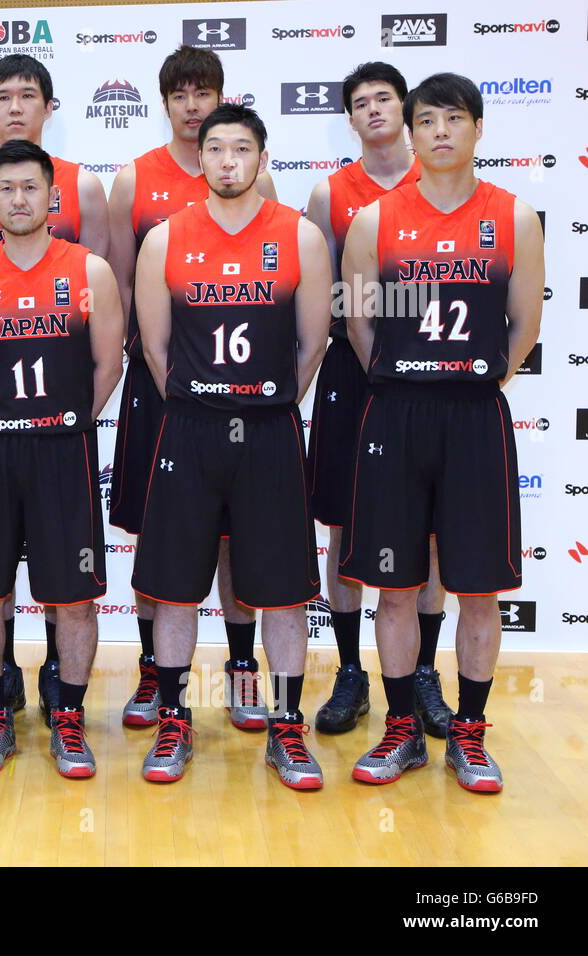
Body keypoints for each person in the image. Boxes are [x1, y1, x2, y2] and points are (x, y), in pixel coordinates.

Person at [341, 73, 543, 792]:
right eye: (426, 120)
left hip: (473, 416)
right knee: (395, 590)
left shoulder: (513, 218)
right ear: (411, 131)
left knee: (479, 592)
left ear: (478, 128)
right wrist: (409, 377)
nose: (440, 132)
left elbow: (524, 329)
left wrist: (465, 375)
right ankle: (401, 730)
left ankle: (471, 733)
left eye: (454, 119)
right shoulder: (373, 222)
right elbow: (361, 325)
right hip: (396, 413)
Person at [133, 105, 330, 790]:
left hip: (271, 430)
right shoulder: (165, 240)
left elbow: (312, 344)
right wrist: (203, 402)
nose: (225, 161)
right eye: (214, 148)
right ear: (201, 158)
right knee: (176, 588)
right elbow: (155, 350)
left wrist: (265, 401)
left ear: (261, 157)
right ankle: (175, 720)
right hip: (189, 430)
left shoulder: (300, 237)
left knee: (281, 594)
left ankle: (285, 725)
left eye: (240, 148)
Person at [107, 45, 279, 731]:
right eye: (178, 93)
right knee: (158, 532)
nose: (191, 103)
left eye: (202, 90)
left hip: (236, 393)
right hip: (162, 387)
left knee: (237, 534)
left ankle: (242, 666)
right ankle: (156, 673)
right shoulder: (134, 180)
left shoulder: (251, 180)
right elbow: (120, 286)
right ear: (165, 101)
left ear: (220, 95)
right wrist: (153, 370)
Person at [0, 53, 109, 727]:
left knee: (72, 592)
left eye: (27, 95)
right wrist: (3, 420)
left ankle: (66, 710)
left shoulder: (84, 227)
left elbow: (104, 358)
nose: (18, 200)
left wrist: (66, 423)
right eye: (1, 96)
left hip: (61, 440)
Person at [303, 62, 450, 737]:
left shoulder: (444, 185)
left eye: (383, 99)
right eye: (358, 103)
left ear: (406, 108)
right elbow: (326, 292)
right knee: (342, 523)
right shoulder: (332, 194)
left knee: (427, 528)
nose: (372, 111)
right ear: (351, 118)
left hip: (437, 378)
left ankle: (421, 673)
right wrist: (377, 360)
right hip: (358, 373)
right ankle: (351, 671)